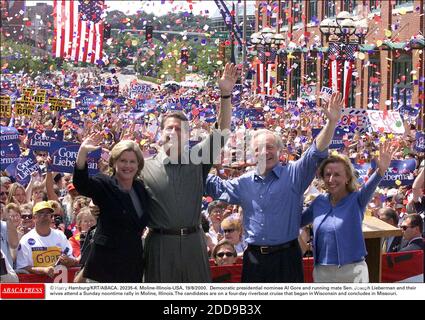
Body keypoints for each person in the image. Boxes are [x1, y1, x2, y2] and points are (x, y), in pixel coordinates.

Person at [206, 92, 344, 282]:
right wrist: (185, 165)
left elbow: (316, 152)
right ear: (252, 155)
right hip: (254, 260)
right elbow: (214, 187)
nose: (264, 152)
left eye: (269, 147)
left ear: (279, 151)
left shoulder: (295, 175)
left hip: (286, 258)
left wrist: (331, 123)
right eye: (258, 149)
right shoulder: (243, 183)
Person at [141, 63, 238, 282]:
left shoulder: (198, 160)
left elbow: (221, 132)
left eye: (180, 129)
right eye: (170, 128)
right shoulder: (144, 166)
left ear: (187, 136)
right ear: (160, 133)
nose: (174, 132)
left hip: (194, 243)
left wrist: (225, 95)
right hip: (160, 245)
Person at [301, 141, 395, 283]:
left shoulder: (357, 199)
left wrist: (380, 170)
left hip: (352, 272)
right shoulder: (318, 201)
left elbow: (371, 185)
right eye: (327, 174)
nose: (331, 179)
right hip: (322, 272)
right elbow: (298, 220)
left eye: (337, 174)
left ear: (347, 178)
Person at [73, 136, 150, 282]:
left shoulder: (140, 188)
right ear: (114, 162)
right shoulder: (104, 183)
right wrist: (82, 152)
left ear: (138, 165)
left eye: (132, 161)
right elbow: (82, 184)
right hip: (104, 267)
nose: (128, 165)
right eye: (123, 161)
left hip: (132, 265)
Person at [16, 201, 77, 278]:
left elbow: (72, 260)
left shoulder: (60, 235)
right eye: (41, 213)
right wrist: (44, 270)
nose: (45, 216)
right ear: (34, 217)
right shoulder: (26, 240)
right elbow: (22, 266)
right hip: (37, 285)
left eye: (48, 214)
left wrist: (68, 261)